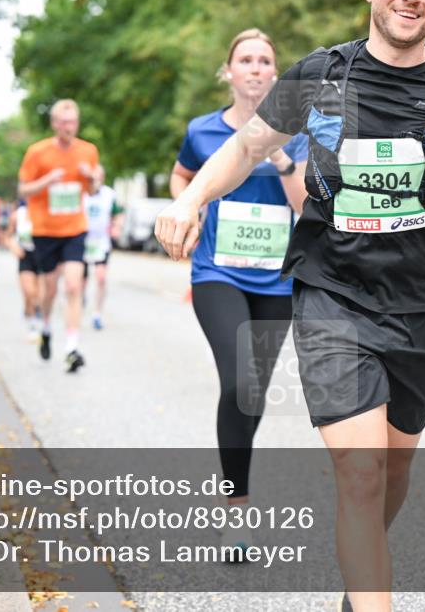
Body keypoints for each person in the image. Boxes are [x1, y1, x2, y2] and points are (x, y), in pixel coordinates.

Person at [156, 0, 425, 609]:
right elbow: (245, 149)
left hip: (423, 312)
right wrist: (189, 201)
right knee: (360, 474)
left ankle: (361, 587)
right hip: (332, 296)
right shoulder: (320, 76)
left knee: (391, 472)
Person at [169, 28, 309, 555]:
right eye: (245, 60)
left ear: (275, 74)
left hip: (277, 279)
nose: (254, 68)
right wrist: (191, 206)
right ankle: (238, 511)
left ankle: (235, 491)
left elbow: (305, 209)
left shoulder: (297, 132)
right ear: (228, 72)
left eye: (264, 61)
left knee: (251, 394)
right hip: (217, 274)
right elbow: (181, 177)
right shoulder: (202, 131)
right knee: (238, 379)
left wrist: (276, 155)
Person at [18, 99, 101, 372]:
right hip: (44, 230)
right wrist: (47, 180)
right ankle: (45, 328)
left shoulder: (88, 151)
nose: (69, 127)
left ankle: (72, 346)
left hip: (75, 228)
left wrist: (91, 178)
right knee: (50, 288)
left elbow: (92, 190)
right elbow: (23, 190)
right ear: (55, 124)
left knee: (74, 286)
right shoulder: (37, 152)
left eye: (74, 122)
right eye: (64, 122)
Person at [82, 164, 124, 330]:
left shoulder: (109, 194)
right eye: (94, 176)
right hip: (82, 241)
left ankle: (97, 314)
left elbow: (118, 213)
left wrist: (117, 227)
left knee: (100, 277)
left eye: (100, 176)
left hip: (100, 242)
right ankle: (81, 300)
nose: (96, 179)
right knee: (81, 280)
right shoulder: (82, 193)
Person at [6, 198, 44, 340]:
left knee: (39, 296)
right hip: (25, 257)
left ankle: (37, 318)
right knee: (29, 292)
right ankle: (32, 325)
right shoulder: (18, 215)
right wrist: (13, 247)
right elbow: (8, 236)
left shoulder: (44, 213)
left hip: (42, 256)